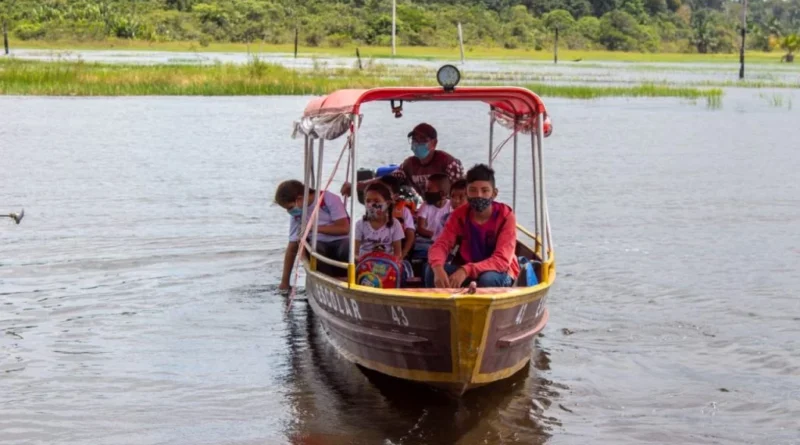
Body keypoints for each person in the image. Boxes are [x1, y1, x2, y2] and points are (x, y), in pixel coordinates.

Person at [426, 164, 520, 288]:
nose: (478, 195)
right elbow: (441, 244)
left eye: (485, 191)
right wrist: (438, 267)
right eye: (473, 190)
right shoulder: (459, 215)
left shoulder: (505, 216)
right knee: (431, 271)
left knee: (487, 279)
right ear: (467, 192)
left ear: (494, 193)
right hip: (467, 269)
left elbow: (501, 260)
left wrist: (466, 270)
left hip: (500, 272)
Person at [341, 123, 464, 197]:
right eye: (414, 139)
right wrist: (356, 186)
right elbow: (389, 180)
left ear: (434, 143)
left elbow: (462, 191)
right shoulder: (409, 165)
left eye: (422, 139)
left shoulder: (448, 163)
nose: (417, 143)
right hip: (426, 211)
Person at [274, 180, 350, 292]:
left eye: (289, 208)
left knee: (347, 248)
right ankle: (327, 283)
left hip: (341, 241)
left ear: (300, 199)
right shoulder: (298, 214)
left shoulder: (329, 199)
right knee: (316, 249)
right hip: (318, 244)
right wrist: (284, 282)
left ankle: (350, 278)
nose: (289, 212)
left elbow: (344, 229)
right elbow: (292, 246)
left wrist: (314, 228)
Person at [354, 183, 404, 259]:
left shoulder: (395, 225)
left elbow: (397, 255)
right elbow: (354, 253)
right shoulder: (360, 224)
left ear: (387, 203)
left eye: (376, 201)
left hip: (386, 263)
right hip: (364, 263)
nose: (371, 205)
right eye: (368, 201)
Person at [378, 175, 416, 258]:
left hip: (398, 252)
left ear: (395, 196)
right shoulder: (372, 212)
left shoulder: (404, 211)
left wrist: (402, 256)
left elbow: (410, 237)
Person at [416, 173, 452, 241]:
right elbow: (420, 228)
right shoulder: (425, 205)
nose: (426, 192)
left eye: (429, 189)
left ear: (442, 194)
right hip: (427, 240)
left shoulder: (451, 206)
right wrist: (435, 236)